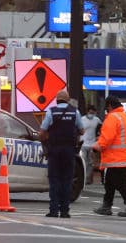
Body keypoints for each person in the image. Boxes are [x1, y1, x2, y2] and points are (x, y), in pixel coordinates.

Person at [92, 95, 126, 217]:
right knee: (110, 182)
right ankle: (106, 206)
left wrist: (97, 146)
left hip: (115, 158)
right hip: (124, 156)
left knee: (119, 183)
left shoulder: (112, 118)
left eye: (106, 107)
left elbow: (107, 137)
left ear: (109, 106)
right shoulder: (125, 117)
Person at [39, 89, 84, 218]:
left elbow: (42, 132)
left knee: (54, 180)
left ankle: (53, 210)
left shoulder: (51, 112)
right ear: (68, 100)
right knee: (67, 180)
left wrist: (46, 139)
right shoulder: (75, 112)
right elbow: (82, 131)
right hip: (69, 151)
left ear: (56, 100)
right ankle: (65, 211)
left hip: (54, 150)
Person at [80, 104, 102, 185]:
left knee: (91, 163)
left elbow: (101, 128)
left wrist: (98, 136)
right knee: (84, 162)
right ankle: (84, 178)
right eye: (90, 111)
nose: (91, 114)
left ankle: (88, 179)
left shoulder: (97, 120)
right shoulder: (82, 119)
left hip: (93, 145)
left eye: (93, 112)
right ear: (87, 111)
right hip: (83, 144)